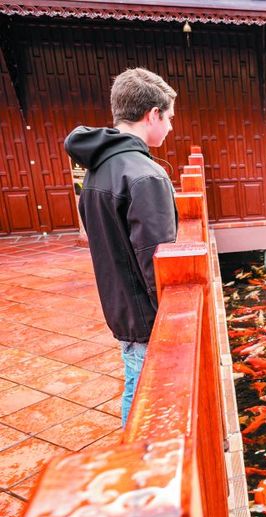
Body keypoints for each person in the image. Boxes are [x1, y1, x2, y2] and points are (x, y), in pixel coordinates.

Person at [65, 67, 178, 427]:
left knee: (135, 379)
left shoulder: (99, 166)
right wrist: (173, 319)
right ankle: (136, 460)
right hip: (144, 315)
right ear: (152, 115)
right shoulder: (145, 175)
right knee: (145, 392)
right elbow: (155, 262)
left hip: (119, 304)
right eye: (170, 118)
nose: (171, 127)